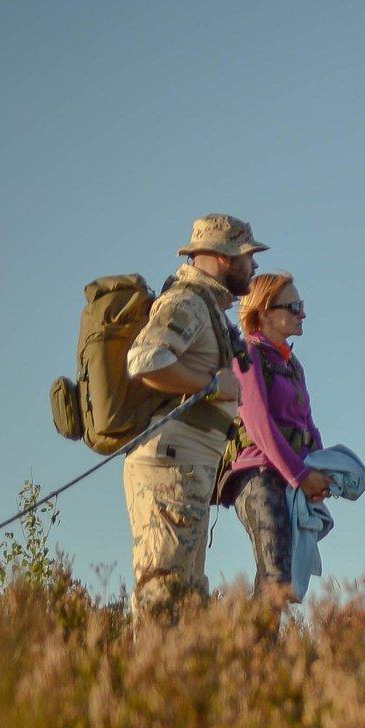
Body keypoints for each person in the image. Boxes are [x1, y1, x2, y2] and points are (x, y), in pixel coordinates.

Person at [123, 213, 262, 625]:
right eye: (247, 257)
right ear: (222, 257)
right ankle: (148, 681)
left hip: (186, 461)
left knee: (183, 590)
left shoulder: (207, 306)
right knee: (165, 588)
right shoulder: (186, 301)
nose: (253, 267)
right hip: (172, 460)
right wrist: (212, 384)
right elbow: (145, 361)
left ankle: (168, 680)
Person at [220, 272, 331, 606]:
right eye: (294, 306)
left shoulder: (291, 363)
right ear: (265, 312)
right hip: (257, 476)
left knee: (280, 578)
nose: (302, 313)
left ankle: (254, 653)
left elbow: (308, 426)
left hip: (288, 478)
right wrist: (301, 476)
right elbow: (258, 425)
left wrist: (321, 472)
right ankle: (256, 656)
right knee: (276, 578)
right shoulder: (248, 355)